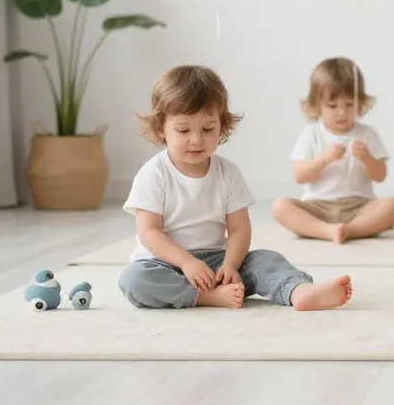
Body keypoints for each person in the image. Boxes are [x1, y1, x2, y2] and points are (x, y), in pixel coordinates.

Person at [117, 65, 352, 311]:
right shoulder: (153, 174)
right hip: (166, 264)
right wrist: (187, 263)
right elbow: (149, 232)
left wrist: (230, 266)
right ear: (160, 128)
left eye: (208, 129)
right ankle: (207, 297)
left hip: (218, 262)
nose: (196, 139)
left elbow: (239, 229)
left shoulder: (228, 173)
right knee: (134, 280)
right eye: (184, 130)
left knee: (266, 260)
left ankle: (300, 291)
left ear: (222, 126)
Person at [271, 57, 394, 243]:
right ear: (317, 105)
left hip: (360, 206)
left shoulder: (367, 134)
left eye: (349, 104)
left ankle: (349, 230)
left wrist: (367, 158)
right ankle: (325, 230)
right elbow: (300, 176)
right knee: (280, 206)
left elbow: (380, 175)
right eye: (332, 106)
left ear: (360, 102)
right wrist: (323, 160)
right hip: (318, 207)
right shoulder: (311, 134)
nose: (341, 112)